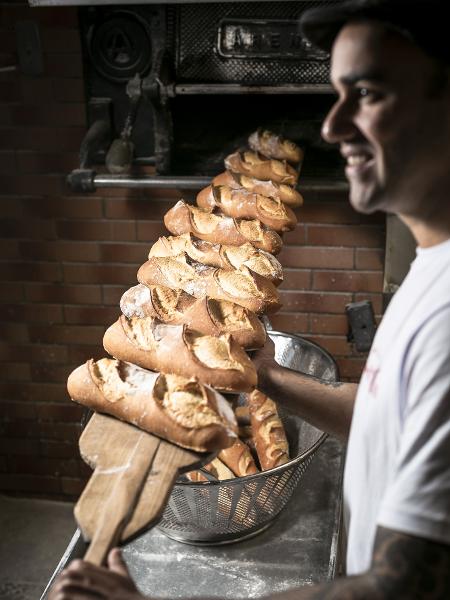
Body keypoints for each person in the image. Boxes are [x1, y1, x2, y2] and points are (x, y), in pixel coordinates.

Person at [49, 0, 450, 597]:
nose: (332, 127)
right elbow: (389, 422)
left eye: (365, 93)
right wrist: (268, 377)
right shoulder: (430, 274)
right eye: (335, 95)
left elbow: (401, 587)